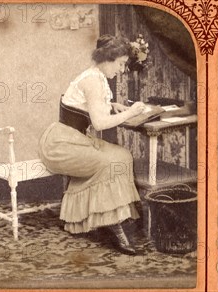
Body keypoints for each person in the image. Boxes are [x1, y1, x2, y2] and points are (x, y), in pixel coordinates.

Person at [39, 35, 146, 255]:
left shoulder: (96, 76)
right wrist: (131, 112)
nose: (122, 69)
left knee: (123, 156)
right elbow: (99, 124)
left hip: (74, 138)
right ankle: (113, 226)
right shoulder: (93, 81)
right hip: (61, 145)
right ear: (109, 58)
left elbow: (87, 106)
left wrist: (113, 105)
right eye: (121, 64)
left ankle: (100, 217)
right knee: (108, 164)